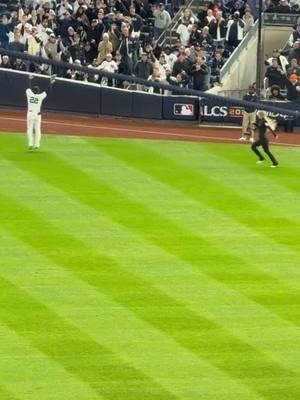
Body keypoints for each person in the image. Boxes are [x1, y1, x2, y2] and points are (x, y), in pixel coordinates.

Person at [26, 74, 56, 150]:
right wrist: (51, 83)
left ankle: (30, 143)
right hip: (37, 115)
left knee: (29, 129)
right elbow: (47, 91)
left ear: (33, 90)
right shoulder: (40, 96)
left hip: (30, 114)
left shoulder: (29, 94)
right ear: (38, 91)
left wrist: (30, 79)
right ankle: (37, 145)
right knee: (38, 129)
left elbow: (28, 87)